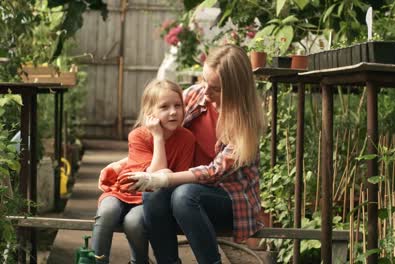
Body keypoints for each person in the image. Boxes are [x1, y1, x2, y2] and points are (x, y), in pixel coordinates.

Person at [126, 44, 266, 264]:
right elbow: (158, 128)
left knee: (185, 195)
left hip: (228, 199)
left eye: (216, 88)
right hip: (186, 190)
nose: (206, 92)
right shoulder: (193, 96)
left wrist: (166, 178)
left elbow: (214, 172)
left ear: (235, 89)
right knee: (154, 192)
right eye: (204, 81)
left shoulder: (245, 124)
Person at [92, 79, 195, 264]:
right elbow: (152, 176)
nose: (173, 112)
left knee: (134, 223)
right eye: (164, 107)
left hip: (150, 199)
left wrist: (158, 138)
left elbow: (153, 181)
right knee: (107, 212)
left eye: (177, 105)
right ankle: (96, 261)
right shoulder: (138, 135)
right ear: (150, 113)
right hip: (123, 191)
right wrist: (156, 135)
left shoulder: (187, 139)